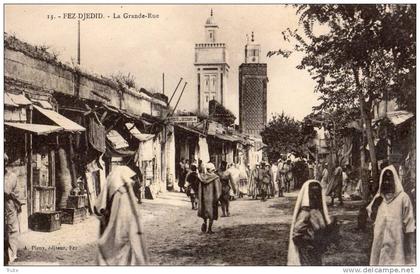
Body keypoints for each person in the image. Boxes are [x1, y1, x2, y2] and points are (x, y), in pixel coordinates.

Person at [94, 166, 149, 265]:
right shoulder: (122, 193)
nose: (132, 181)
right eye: (132, 178)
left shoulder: (114, 187)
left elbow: (100, 207)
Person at [367, 165, 415, 266]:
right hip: (380, 244)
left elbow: (410, 227)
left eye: (389, 179)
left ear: (395, 180)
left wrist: (410, 253)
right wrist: (375, 205)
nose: (387, 182)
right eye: (384, 179)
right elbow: (371, 215)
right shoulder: (379, 198)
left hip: (397, 245)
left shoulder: (403, 198)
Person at [287, 180, 335, 266]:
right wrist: (308, 244)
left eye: (317, 193)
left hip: (316, 250)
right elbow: (297, 234)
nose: (315, 196)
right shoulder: (305, 213)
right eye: (313, 193)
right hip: (308, 251)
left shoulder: (318, 212)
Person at [4, 153, 21, 265]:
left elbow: (16, 193)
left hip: (9, 207)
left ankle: (12, 255)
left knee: (12, 231)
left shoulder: (12, 177)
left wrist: (17, 204)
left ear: (5, 163)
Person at [198, 162, 222, 233]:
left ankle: (205, 223)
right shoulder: (215, 178)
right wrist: (218, 198)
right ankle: (209, 229)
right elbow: (218, 190)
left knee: (205, 212)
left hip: (204, 198)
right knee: (212, 213)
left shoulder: (202, 177)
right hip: (212, 198)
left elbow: (199, 189)